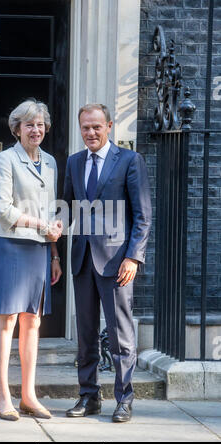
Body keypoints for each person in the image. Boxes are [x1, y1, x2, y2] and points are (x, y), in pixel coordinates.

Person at [63, 103, 152, 422]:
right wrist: (50, 246)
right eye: (85, 127)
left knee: (120, 335)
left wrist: (133, 256)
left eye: (96, 127)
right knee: (86, 335)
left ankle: (124, 399)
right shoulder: (73, 162)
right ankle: (88, 397)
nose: (90, 132)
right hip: (82, 260)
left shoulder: (129, 160)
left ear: (110, 126)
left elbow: (143, 215)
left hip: (117, 262)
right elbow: (67, 210)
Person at [0, 99, 62, 421]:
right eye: (29, 124)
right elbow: (4, 211)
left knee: (33, 321)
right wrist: (41, 225)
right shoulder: (6, 160)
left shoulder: (50, 162)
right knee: (8, 319)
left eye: (40, 124)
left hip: (40, 249)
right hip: (10, 245)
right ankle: (3, 396)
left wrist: (55, 251)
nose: (36, 130)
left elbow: (52, 210)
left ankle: (29, 395)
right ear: (17, 128)